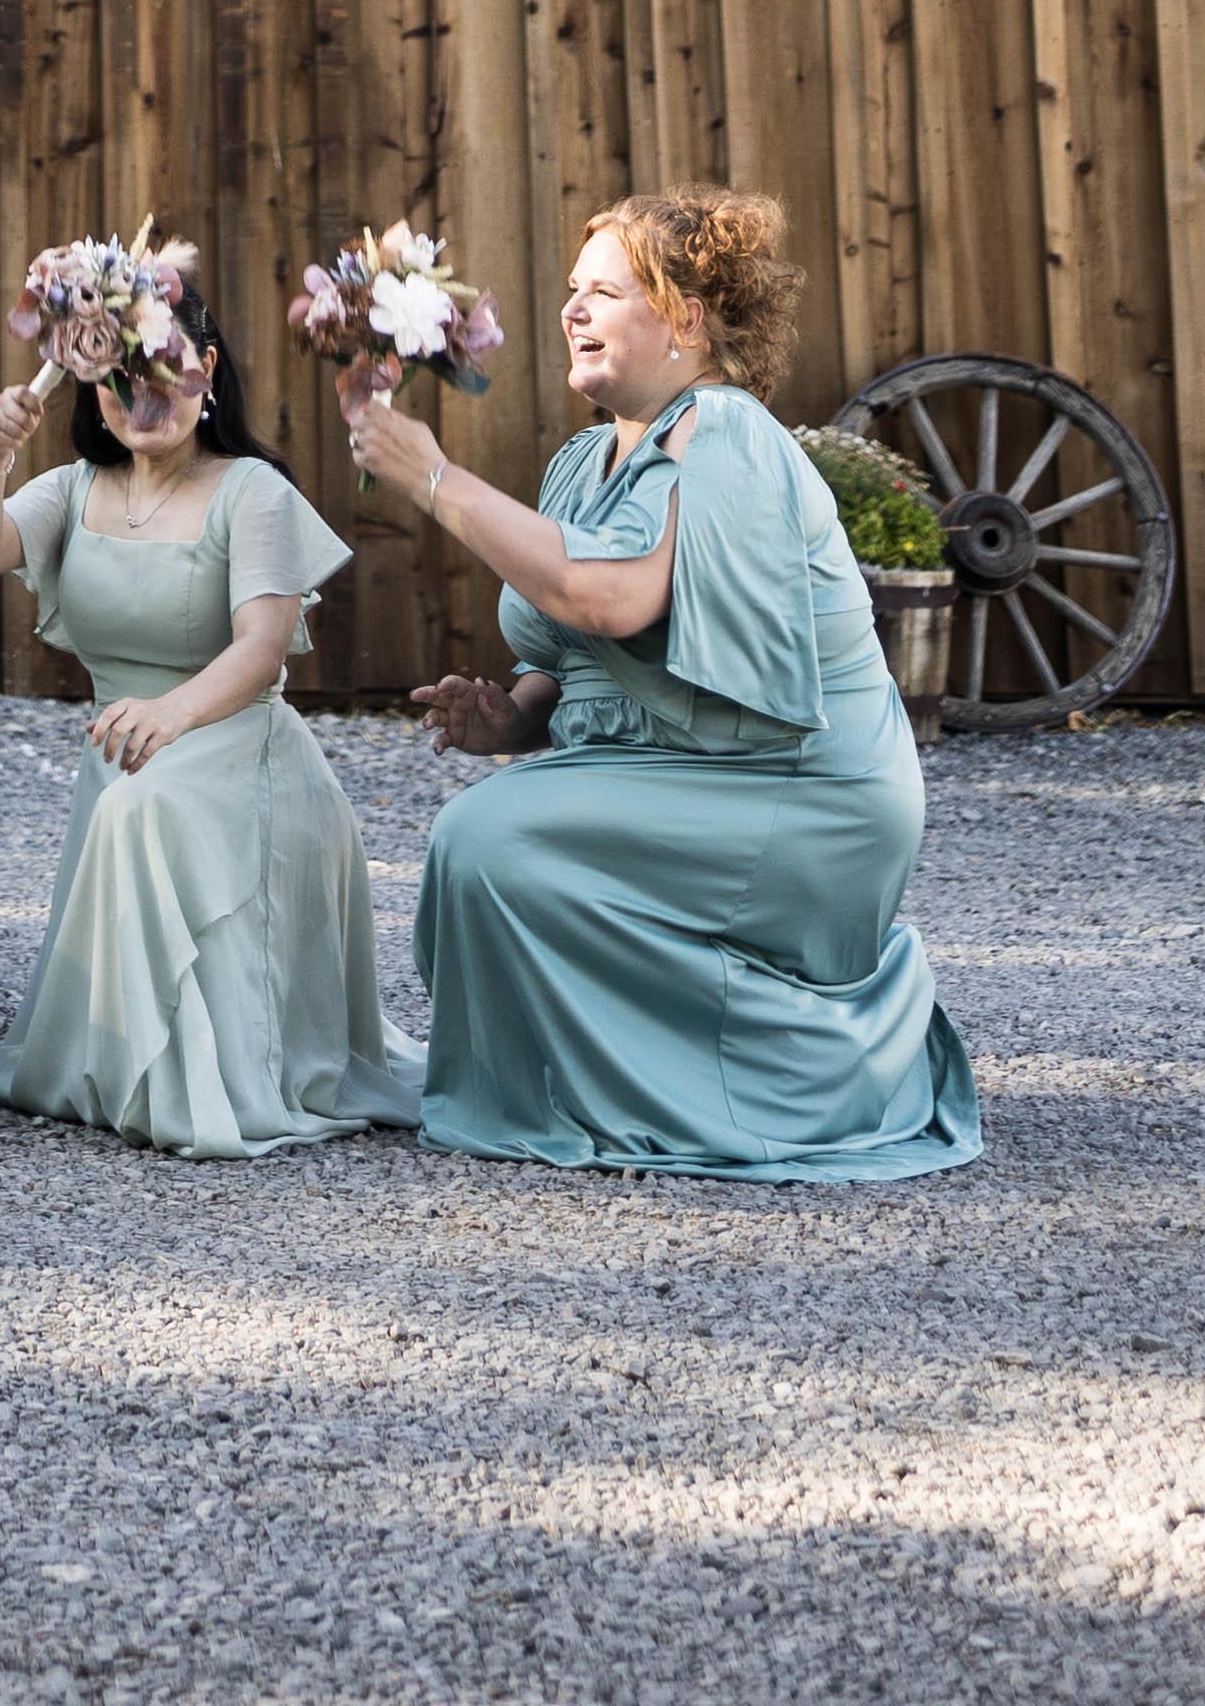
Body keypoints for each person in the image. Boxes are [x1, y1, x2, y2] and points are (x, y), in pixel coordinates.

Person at [349, 181, 982, 1179]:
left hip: (802, 790)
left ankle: (707, 1094)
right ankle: (579, 1089)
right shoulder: (582, 463)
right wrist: (509, 720)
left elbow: (610, 600)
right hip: (692, 769)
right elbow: (572, 659)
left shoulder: (722, 429)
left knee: (488, 836)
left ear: (684, 318)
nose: (572, 310)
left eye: (603, 292)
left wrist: (433, 477)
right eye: (572, 289)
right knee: (491, 837)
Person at [0, 268, 418, 1156]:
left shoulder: (253, 489)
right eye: (118, 376)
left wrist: (170, 715)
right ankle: (126, 1066)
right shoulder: (74, 488)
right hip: (126, 756)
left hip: (238, 749)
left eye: (159, 369)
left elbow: (261, 649)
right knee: (134, 802)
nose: (141, 396)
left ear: (205, 367)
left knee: (142, 805)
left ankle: (200, 1082)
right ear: (90, 383)